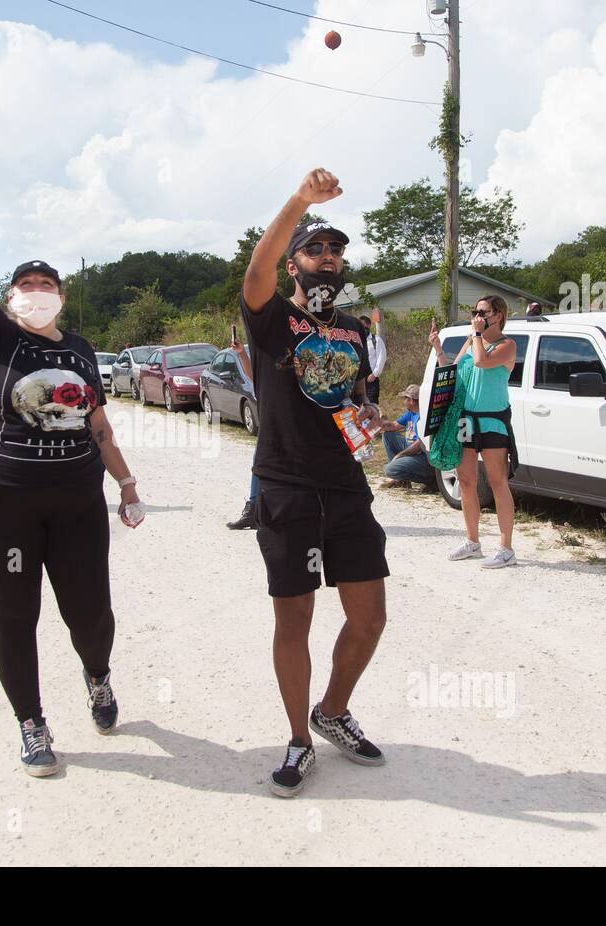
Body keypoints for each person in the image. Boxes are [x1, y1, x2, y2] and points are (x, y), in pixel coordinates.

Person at [0, 155, 143, 777]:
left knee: (91, 610)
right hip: (0, 495)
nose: (37, 292)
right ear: (11, 296)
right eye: (26, 286)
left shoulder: (83, 350)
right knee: (14, 613)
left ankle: (98, 675)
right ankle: (31, 723)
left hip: (76, 496)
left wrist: (127, 482)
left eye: (46, 285)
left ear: (60, 294)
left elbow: (97, 422)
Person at [241, 170, 390, 797]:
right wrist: (299, 202)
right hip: (287, 487)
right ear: (295, 263)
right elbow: (257, 267)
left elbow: (356, 397)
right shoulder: (271, 318)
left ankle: (332, 711)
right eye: (315, 249)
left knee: (369, 617)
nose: (328, 258)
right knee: (294, 618)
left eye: (337, 251)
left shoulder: (354, 329)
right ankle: (299, 740)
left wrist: (369, 415)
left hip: (347, 487)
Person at [428, 295, 518, 568]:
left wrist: (477, 334)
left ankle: (506, 547)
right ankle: (472, 541)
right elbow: (454, 372)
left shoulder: (507, 345)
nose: (477, 316)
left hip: (492, 421)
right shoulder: (472, 341)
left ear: (498, 315)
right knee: (466, 480)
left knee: (497, 481)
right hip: (466, 421)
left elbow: (480, 362)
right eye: (475, 311)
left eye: (484, 312)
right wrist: (439, 350)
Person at [226, 325, 260, 531]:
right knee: (259, 462)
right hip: (272, 421)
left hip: (294, 421)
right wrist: (241, 354)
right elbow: (253, 376)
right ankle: (253, 511)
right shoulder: (266, 351)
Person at [378, 384, 435, 489]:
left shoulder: (423, 416)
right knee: (387, 435)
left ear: (412, 401)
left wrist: (400, 455)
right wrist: (379, 425)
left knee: (389, 469)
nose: (403, 401)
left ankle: (432, 481)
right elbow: (394, 425)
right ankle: (400, 480)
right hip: (410, 448)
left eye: (405, 398)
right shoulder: (410, 413)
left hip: (422, 455)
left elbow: (420, 444)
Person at [364, 310, 386, 405]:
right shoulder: (356, 340)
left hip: (371, 378)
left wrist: (374, 374)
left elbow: (382, 357)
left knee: (372, 404)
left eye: (363, 326)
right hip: (358, 380)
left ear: (368, 326)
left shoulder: (376, 340)